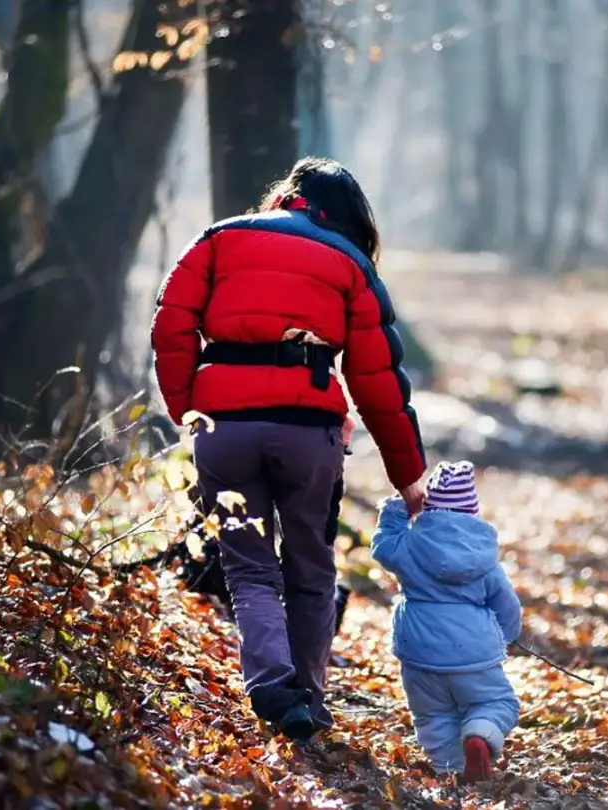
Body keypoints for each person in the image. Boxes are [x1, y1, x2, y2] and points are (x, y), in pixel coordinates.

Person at [150, 157, 427, 741]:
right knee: (311, 570)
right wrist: (409, 475)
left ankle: (272, 686)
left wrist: (186, 410)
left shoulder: (219, 239)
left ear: (287, 198)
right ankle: (310, 698)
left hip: (224, 430)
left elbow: (171, 324)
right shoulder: (349, 263)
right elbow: (379, 382)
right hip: (309, 433)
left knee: (248, 566)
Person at [371, 460, 521, 783]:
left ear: (427, 508)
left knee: (432, 716)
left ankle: (450, 771)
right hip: (472, 653)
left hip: (418, 651)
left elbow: (382, 546)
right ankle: (480, 734)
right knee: (496, 701)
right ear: (472, 513)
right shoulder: (484, 560)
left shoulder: (408, 546)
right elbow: (507, 606)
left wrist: (397, 508)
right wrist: (506, 636)